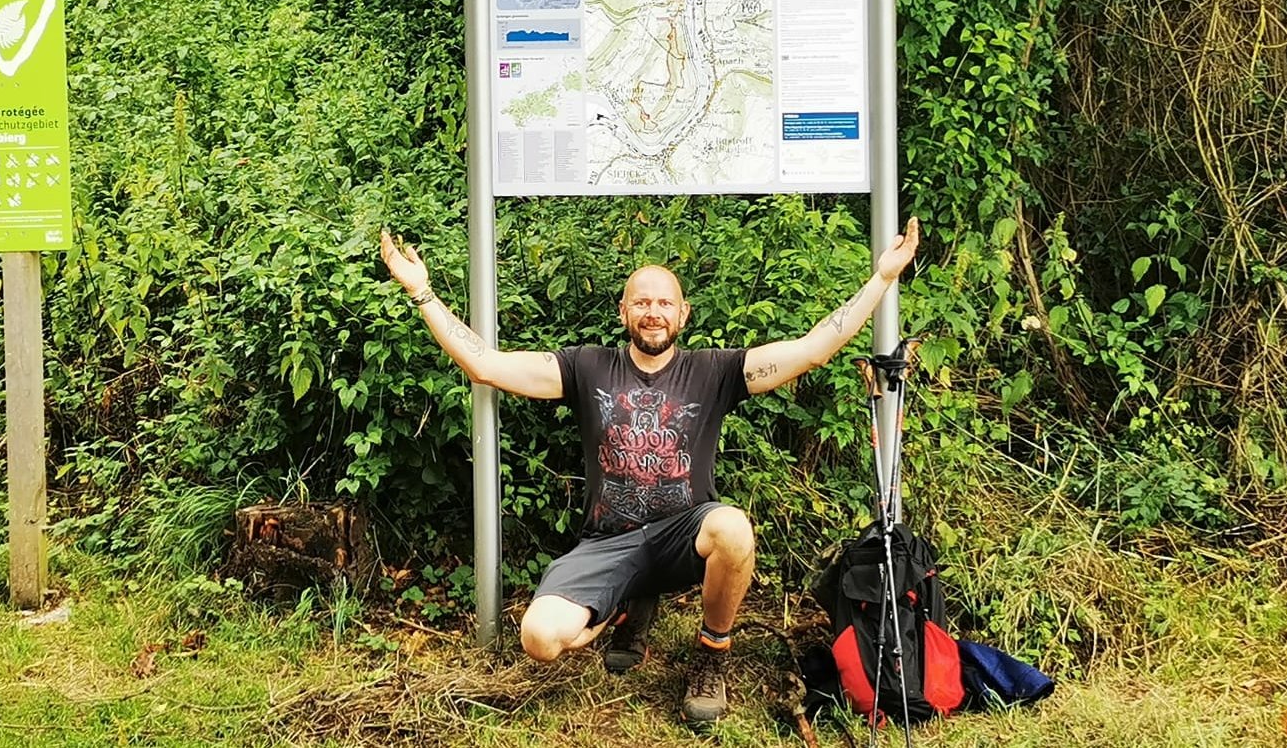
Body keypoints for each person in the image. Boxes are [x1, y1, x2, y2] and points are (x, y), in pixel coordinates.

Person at [379, 218, 920, 723]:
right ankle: (625, 606)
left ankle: (711, 653)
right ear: (624, 313)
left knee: (732, 528)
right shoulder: (585, 366)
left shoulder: (715, 371)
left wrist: (881, 277)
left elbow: (811, 350)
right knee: (540, 639)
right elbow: (486, 365)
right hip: (607, 544)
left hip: (684, 537)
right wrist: (422, 292)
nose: (653, 312)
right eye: (642, 302)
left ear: (683, 315)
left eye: (665, 302)